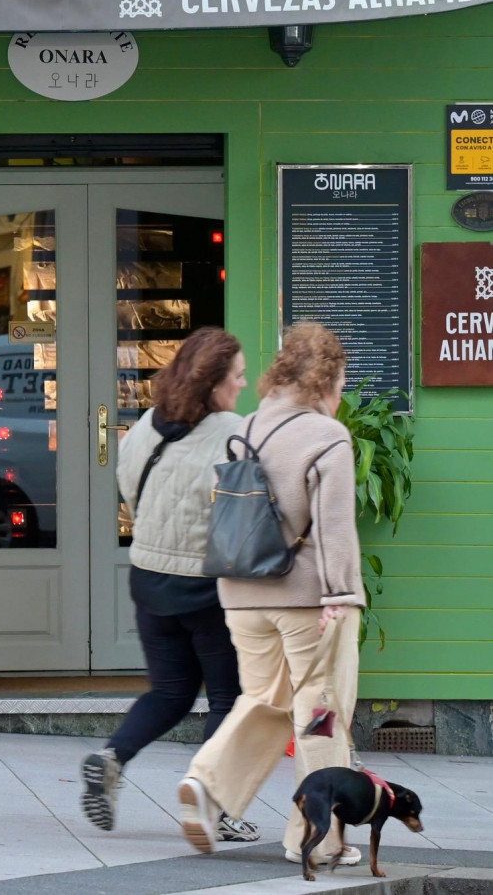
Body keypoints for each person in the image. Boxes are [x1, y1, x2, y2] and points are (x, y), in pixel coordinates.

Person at [176, 321, 365, 867]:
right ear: (329, 376)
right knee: (320, 713)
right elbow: (333, 526)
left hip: (241, 594)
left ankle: (208, 786)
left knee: (263, 700)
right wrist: (341, 595)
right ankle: (317, 839)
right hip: (307, 598)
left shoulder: (249, 427)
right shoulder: (327, 437)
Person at [80, 327, 260, 843]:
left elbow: (130, 496)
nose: (243, 386)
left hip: (148, 578)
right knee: (229, 697)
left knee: (172, 691)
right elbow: (245, 514)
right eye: (239, 377)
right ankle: (214, 805)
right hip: (207, 588)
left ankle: (112, 756)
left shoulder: (145, 427)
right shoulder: (236, 432)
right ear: (214, 384)